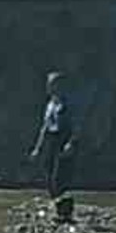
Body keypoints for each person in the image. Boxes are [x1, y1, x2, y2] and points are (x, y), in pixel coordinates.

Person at [29, 71, 78, 222]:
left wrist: (71, 143)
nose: (48, 87)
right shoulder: (50, 103)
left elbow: (76, 126)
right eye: (49, 84)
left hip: (63, 138)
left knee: (59, 176)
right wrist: (38, 148)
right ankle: (59, 208)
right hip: (51, 139)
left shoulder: (68, 103)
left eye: (52, 84)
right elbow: (44, 127)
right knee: (48, 174)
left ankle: (66, 212)